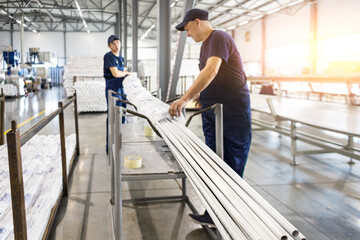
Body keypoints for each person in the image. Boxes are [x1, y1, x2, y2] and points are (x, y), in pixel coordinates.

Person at [169, 8, 252, 228]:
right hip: (214, 108)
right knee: (215, 159)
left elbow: (212, 70)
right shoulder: (206, 45)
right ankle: (215, 212)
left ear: (197, 22)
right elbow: (211, 76)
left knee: (231, 161)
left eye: (187, 29)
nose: (188, 35)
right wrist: (200, 95)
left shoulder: (219, 37)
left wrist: (184, 98)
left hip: (232, 110)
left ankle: (231, 214)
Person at [103, 35, 129, 154]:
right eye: (113, 44)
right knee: (113, 117)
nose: (116, 45)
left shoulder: (121, 58)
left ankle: (120, 142)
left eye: (118, 43)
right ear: (109, 46)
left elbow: (121, 73)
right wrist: (126, 73)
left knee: (122, 115)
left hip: (121, 90)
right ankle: (110, 146)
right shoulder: (109, 57)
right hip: (113, 91)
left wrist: (124, 74)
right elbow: (115, 73)